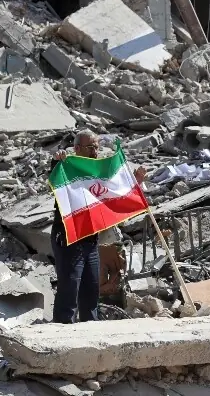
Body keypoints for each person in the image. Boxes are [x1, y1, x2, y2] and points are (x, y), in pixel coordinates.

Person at [50, 130, 147, 323]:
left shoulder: (97, 172)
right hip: (70, 239)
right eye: (90, 147)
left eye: (97, 147)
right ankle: (62, 336)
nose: (95, 152)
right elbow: (54, 178)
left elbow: (111, 194)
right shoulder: (67, 169)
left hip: (90, 240)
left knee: (91, 292)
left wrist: (133, 182)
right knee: (69, 291)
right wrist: (57, 161)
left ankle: (91, 332)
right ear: (77, 149)